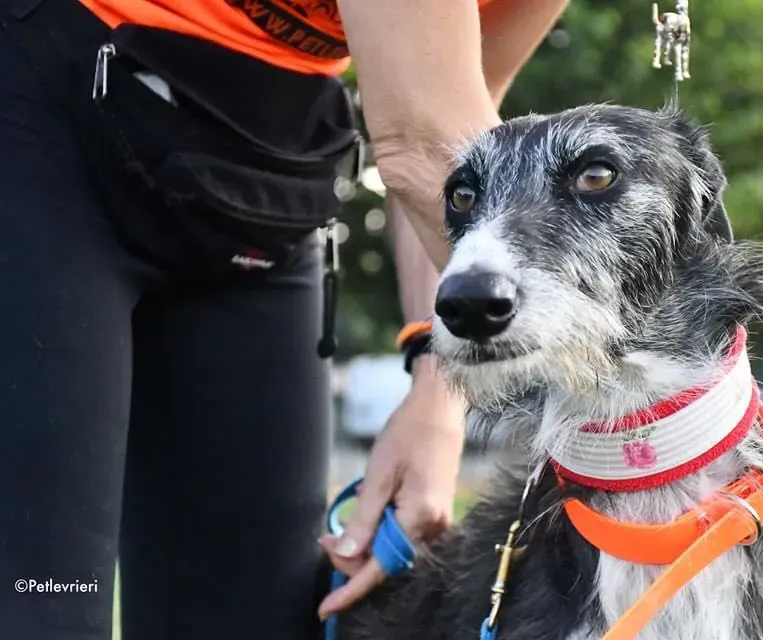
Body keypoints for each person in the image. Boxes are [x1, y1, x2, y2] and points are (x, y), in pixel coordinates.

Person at [0, 0, 568, 638]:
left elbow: (465, 136)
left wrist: (437, 389)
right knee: (38, 598)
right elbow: (420, 134)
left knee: (256, 616)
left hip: (267, 172)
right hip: (47, 113)